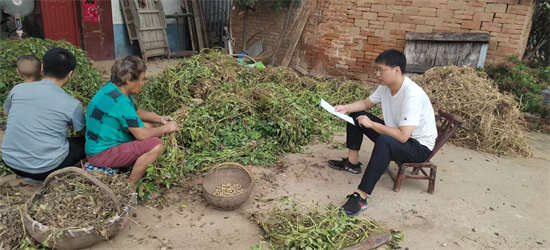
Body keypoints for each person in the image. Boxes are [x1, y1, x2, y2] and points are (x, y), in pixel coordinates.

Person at [328, 49, 438, 216]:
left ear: (397, 70)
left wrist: (372, 124)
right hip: (400, 137)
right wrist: (345, 108)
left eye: (381, 70)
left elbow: (403, 136)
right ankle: (352, 163)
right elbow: (366, 104)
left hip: (418, 147)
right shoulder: (385, 87)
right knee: (357, 116)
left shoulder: (412, 95)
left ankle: (360, 197)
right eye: (377, 69)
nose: (377, 74)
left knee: (384, 141)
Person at [85, 56, 179, 184]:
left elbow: (136, 113)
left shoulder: (112, 88)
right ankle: (130, 187)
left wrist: (161, 119)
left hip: (96, 145)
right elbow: (142, 135)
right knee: (155, 145)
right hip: (101, 154)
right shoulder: (121, 102)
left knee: (151, 125)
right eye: (142, 79)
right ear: (129, 80)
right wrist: (166, 128)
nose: (143, 83)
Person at [1, 48, 86, 180]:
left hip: (11, 161)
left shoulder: (17, 89)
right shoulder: (73, 104)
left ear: (41, 68)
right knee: (87, 143)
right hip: (46, 168)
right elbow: (83, 132)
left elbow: (6, 113)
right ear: (70, 74)